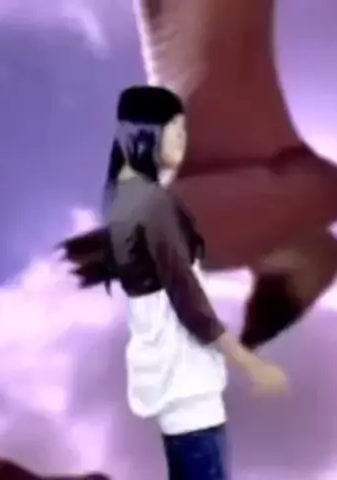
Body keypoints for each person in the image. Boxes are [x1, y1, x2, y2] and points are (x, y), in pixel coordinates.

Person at [96, 85, 288, 480]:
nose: (185, 140)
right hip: (186, 383)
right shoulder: (151, 204)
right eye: (177, 129)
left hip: (168, 378)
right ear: (149, 131)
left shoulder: (125, 199)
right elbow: (187, 297)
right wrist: (250, 363)